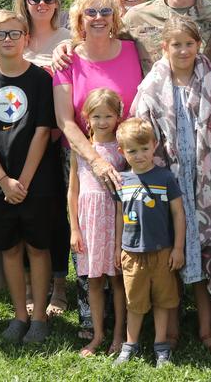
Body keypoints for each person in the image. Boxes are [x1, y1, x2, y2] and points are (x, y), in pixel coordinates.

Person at [132, 15, 211, 357]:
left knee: (202, 261)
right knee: (168, 262)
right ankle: (168, 333)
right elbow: (140, 133)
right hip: (168, 185)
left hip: (204, 185)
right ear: (164, 48)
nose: (183, 50)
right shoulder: (152, 86)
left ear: (199, 45)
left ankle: (206, 331)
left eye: (189, 44)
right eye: (176, 45)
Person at [53, 0, 141, 337]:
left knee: (125, 244)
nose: (99, 18)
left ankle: (130, 321)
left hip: (132, 161)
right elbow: (64, 120)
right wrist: (95, 161)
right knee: (87, 243)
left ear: (115, 15)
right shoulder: (68, 60)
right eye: (91, 12)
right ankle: (92, 322)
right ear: (79, 18)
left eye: (106, 11)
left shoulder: (135, 51)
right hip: (83, 161)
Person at [0, 10, 62, 344]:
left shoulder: (40, 79)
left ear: (26, 38)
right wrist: (3, 180)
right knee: (8, 249)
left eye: (14, 34)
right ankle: (19, 315)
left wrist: (21, 181)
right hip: (0, 185)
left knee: (38, 248)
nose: (8, 40)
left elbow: (42, 132)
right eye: (1, 34)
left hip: (36, 182)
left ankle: (39, 317)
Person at [5, 0, 72, 318]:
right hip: (17, 144)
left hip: (58, 143)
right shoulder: (17, 37)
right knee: (24, 215)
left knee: (57, 216)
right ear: (24, 1)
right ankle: (30, 286)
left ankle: (59, 285)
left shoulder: (68, 39)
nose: (42, 3)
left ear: (57, 2)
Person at [112, 118, 186, 368]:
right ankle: (130, 344)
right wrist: (117, 248)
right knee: (135, 302)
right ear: (122, 151)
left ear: (154, 146)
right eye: (132, 151)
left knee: (163, 300)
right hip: (132, 254)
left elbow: (178, 214)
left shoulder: (165, 178)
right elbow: (119, 217)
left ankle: (161, 345)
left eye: (144, 149)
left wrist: (177, 248)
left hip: (162, 252)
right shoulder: (122, 181)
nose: (140, 155)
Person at [68, 89, 128, 357]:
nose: (102, 121)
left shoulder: (121, 150)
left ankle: (118, 336)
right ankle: (98, 334)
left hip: (114, 224)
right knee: (93, 280)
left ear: (118, 117)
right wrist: (74, 228)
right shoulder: (81, 150)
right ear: (86, 118)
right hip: (88, 223)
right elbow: (72, 191)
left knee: (116, 281)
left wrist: (120, 240)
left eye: (108, 116)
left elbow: (122, 196)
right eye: (96, 116)